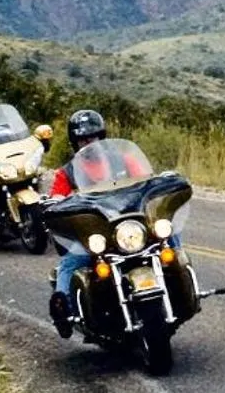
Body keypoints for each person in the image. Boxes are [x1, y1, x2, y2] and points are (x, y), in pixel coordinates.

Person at [47, 109, 153, 336]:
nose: (88, 143)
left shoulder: (124, 160)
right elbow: (56, 199)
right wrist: (53, 205)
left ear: (101, 137)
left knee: (167, 236)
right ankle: (64, 311)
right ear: (75, 143)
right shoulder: (67, 172)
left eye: (92, 138)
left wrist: (157, 183)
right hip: (94, 232)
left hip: (128, 224)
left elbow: (146, 180)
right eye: (83, 139)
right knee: (71, 260)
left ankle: (182, 282)